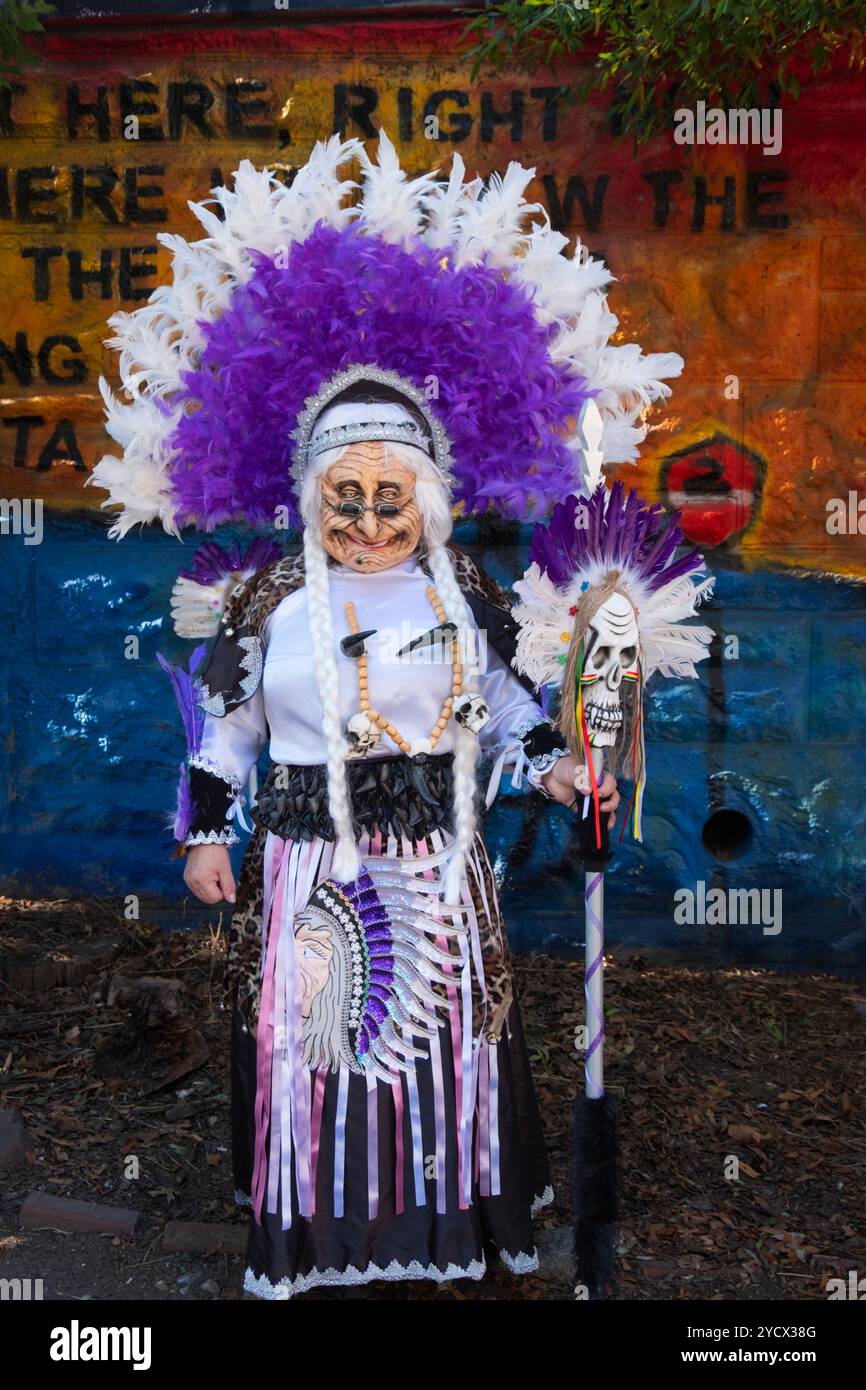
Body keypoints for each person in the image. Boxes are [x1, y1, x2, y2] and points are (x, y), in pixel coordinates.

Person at [180, 380, 619, 1298]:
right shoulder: (266, 598)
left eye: (394, 500)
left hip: (438, 860)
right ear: (313, 500)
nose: (373, 522)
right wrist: (206, 837)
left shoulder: (458, 588)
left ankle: (446, 1217)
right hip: (310, 862)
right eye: (348, 499)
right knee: (321, 1038)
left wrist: (561, 768)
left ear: (427, 500)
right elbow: (226, 732)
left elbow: (506, 708)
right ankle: (322, 1228)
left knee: (440, 1039)